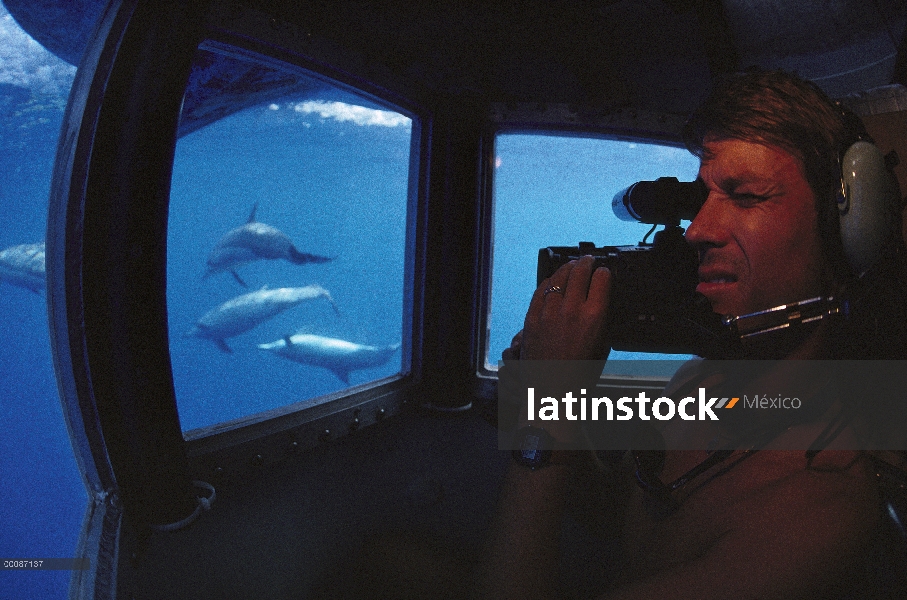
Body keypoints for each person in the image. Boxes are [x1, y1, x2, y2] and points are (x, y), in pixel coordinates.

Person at [478, 69, 907, 599]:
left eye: (745, 196)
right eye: (704, 196)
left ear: (849, 231)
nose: (697, 230)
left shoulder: (817, 517)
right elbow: (641, 519)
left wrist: (543, 426)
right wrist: (543, 399)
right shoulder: (700, 384)